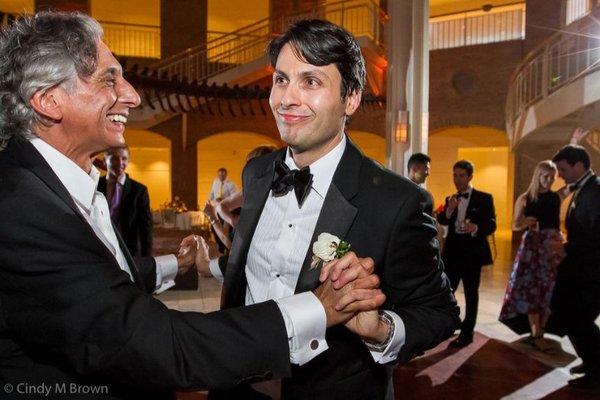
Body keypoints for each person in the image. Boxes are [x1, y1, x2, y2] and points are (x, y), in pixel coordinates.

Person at [0, 12, 386, 399]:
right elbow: (156, 344)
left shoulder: (59, 188)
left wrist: (176, 265)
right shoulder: (20, 208)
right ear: (49, 100)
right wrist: (317, 309)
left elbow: (97, 288)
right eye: (109, 79)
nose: (133, 95)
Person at [197, 19, 459, 400]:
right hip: (235, 385)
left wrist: (380, 328)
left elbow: (439, 313)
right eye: (281, 79)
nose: (287, 98)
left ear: (350, 99)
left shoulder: (396, 201)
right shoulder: (257, 173)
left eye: (311, 81)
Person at [499, 161, 565, 350]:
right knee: (531, 289)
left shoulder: (555, 197)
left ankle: (541, 330)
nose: (549, 180)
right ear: (537, 176)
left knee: (549, 288)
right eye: (546, 176)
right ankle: (536, 332)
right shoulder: (526, 198)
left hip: (551, 246)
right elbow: (514, 225)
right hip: (532, 247)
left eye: (552, 177)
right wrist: (524, 222)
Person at [550, 145, 600, 390]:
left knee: (577, 318)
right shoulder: (585, 189)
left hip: (591, 269)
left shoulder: (596, 191)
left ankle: (596, 369)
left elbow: (596, 234)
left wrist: (566, 248)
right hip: (580, 265)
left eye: (562, 169)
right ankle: (592, 361)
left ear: (579, 165)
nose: (559, 175)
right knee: (571, 315)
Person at [437, 160, 496, 348]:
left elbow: (492, 224)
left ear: (470, 176)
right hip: (453, 253)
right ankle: (449, 324)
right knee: (447, 292)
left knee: (472, 294)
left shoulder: (485, 198)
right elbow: (442, 220)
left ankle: (467, 332)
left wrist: (475, 227)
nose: (457, 179)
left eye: (461, 175)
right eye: (455, 175)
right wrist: (450, 209)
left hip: (472, 254)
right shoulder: (451, 198)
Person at [97, 146, 153, 257]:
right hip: (99, 250)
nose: (120, 162)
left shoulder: (139, 190)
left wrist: (146, 260)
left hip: (128, 252)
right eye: (114, 158)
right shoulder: (95, 185)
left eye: (124, 159)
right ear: (105, 160)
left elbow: (145, 229)